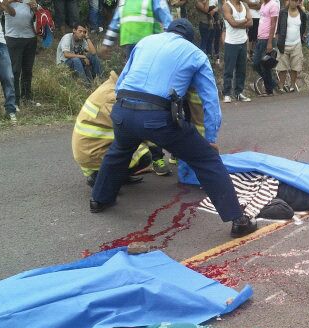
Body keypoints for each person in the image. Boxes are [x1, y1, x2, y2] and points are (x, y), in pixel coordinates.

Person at [90, 19, 258, 239]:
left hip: (122, 110)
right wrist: (211, 137)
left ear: (167, 31)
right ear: (189, 38)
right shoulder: (196, 54)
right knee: (206, 159)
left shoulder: (145, 42)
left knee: (119, 151)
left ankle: (99, 200)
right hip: (157, 116)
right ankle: (239, 220)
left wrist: (126, 111)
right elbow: (210, 101)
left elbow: (121, 82)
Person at [72, 70, 167, 187]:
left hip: (89, 150)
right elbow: (134, 127)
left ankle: (116, 175)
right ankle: (103, 178)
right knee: (144, 156)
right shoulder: (114, 96)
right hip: (93, 153)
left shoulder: (111, 87)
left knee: (134, 145)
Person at [100, 0, 172, 59]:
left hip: (149, 43)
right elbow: (116, 22)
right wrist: (106, 44)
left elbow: (166, 18)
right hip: (129, 44)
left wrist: (170, 41)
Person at [4, 0, 38, 110]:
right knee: (15, 70)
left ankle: (27, 97)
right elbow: (1, 6)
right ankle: (15, 101)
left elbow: (39, 14)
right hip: (13, 37)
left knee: (28, 70)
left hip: (30, 37)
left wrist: (35, 7)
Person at [222, 0, 252, 102]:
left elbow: (251, 22)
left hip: (243, 41)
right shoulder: (226, 6)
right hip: (231, 43)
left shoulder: (245, 5)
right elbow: (232, 23)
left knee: (241, 69)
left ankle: (239, 92)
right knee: (229, 70)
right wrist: (244, 21)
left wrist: (239, 23)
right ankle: (226, 93)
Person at [276, 0, 305, 92]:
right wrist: (278, 41)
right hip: (283, 44)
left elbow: (303, 28)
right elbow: (279, 28)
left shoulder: (302, 14)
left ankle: (292, 85)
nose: (294, 2)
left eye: (297, 1)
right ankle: (281, 86)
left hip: (296, 44)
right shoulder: (283, 12)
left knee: (295, 67)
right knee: (282, 67)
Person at [252, 0, 279, 96]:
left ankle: (269, 90)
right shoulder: (263, 4)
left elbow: (273, 24)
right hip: (260, 38)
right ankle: (272, 84)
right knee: (255, 64)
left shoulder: (274, 5)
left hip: (268, 39)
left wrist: (270, 42)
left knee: (265, 65)